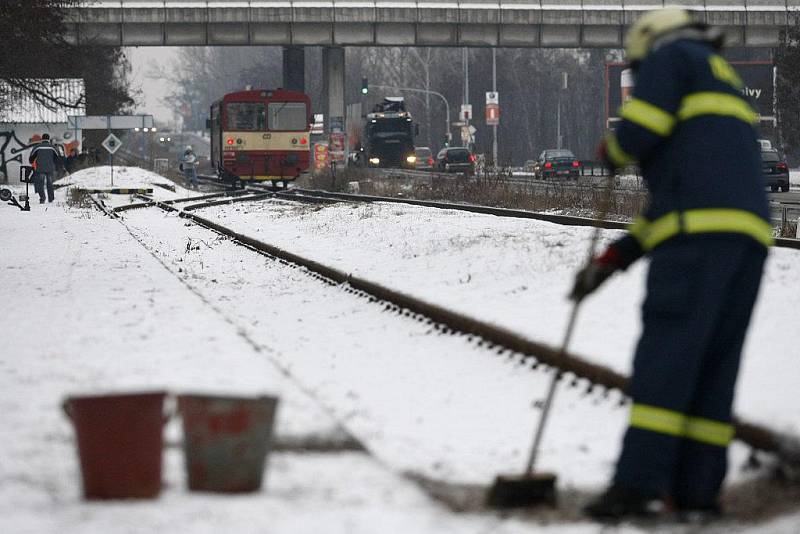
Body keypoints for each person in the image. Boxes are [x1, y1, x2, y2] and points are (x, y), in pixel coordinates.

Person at [570, 7, 771, 521]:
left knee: (667, 363)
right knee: (712, 369)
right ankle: (697, 495)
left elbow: (641, 129)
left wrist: (613, 148)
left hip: (695, 247)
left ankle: (638, 489)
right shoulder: (719, 79)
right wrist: (612, 261)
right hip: (745, 241)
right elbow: (673, 208)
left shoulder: (670, 56)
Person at [28, 133, 62, 203]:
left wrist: (33, 162)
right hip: (50, 168)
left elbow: (31, 158)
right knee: (50, 184)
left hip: (40, 168)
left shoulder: (37, 147)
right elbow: (57, 158)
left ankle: (42, 198)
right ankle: (51, 199)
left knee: (41, 184)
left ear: (42, 139)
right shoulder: (52, 147)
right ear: (48, 139)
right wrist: (56, 166)